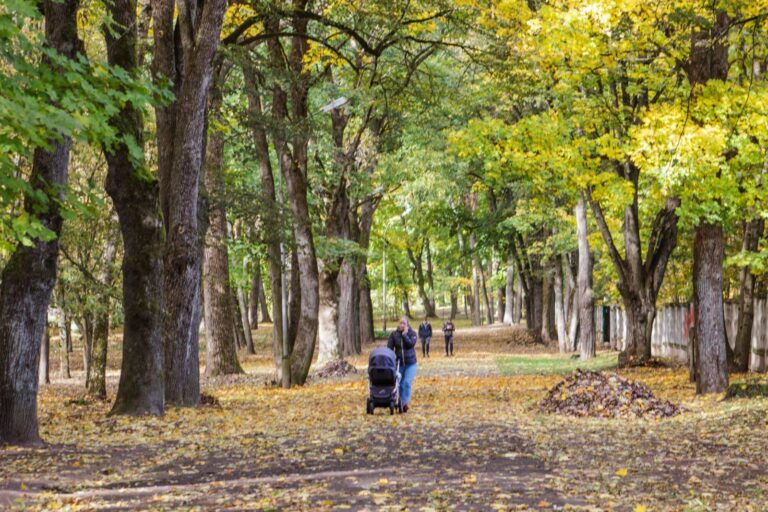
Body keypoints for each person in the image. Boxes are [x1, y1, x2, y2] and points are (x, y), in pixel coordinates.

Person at [387, 316, 417, 412]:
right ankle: (399, 401)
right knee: (398, 384)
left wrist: (405, 335)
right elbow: (389, 349)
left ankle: (404, 403)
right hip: (399, 364)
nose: (402, 325)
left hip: (411, 363)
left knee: (406, 383)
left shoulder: (412, 334)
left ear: (407, 324)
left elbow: (410, 345)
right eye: (400, 323)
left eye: (404, 323)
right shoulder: (394, 335)